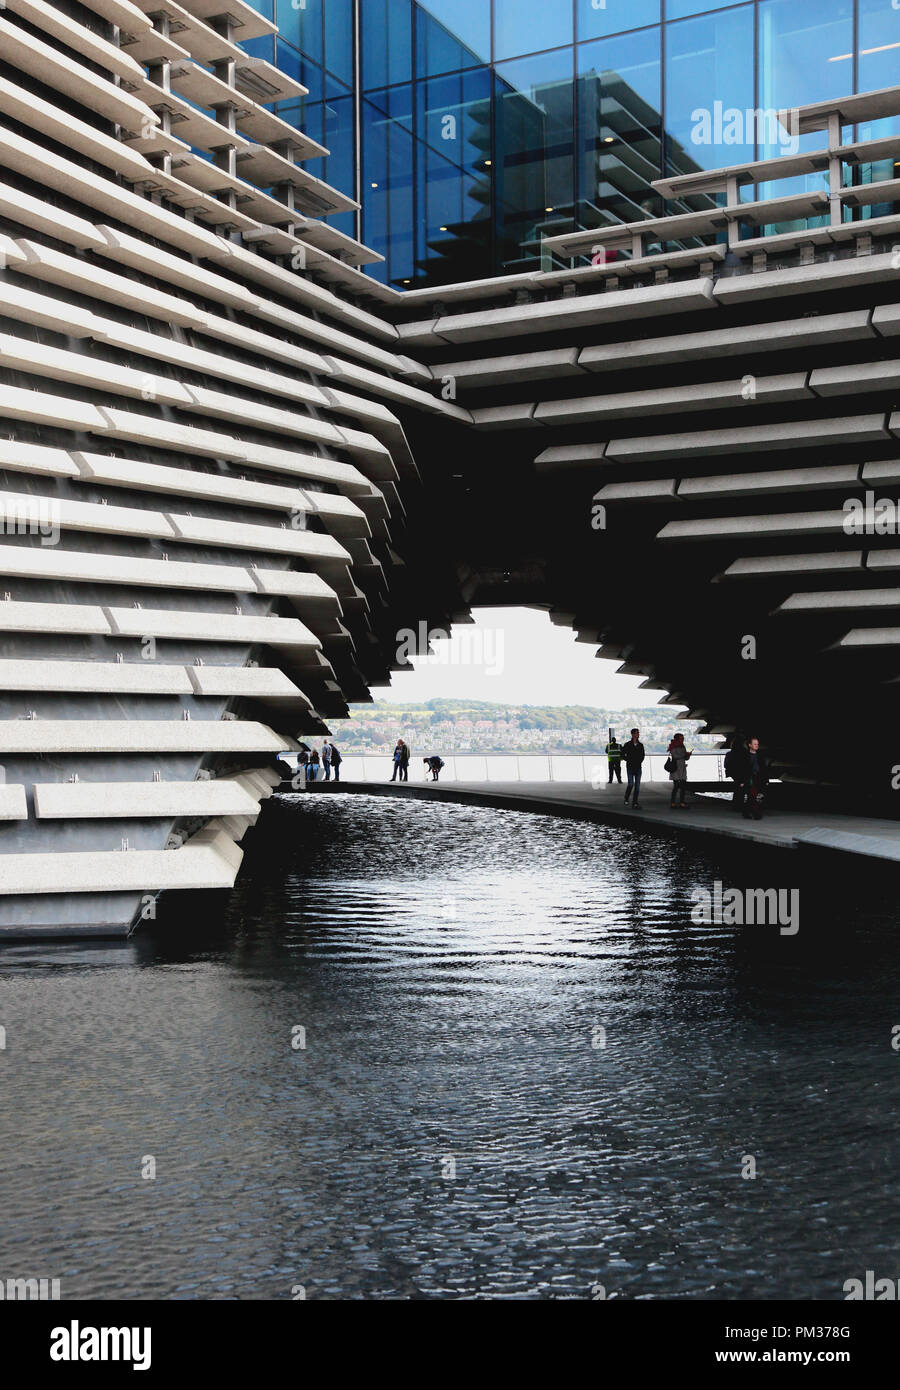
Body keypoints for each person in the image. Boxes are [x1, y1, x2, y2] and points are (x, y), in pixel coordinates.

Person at [742, 736, 769, 820]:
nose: (757, 746)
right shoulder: (745, 756)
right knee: (752, 795)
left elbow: (764, 768)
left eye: (757, 744)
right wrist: (742, 781)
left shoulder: (760, 755)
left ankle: (746, 812)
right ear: (750, 745)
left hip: (758, 778)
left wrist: (766, 779)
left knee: (752, 796)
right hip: (749, 778)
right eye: (755, 744)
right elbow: (742, 769)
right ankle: (757, 814)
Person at [723, 736, 749, 811]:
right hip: (743, 773)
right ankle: (740, 805)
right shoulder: (745, 753)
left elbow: (726, 764)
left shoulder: (729, 754)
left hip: (734, 773)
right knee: (742, 789)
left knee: (737, 788)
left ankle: (736, 805)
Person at [666, 732, 692, 808]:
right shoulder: (673, 746)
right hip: (675, 768)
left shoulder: (682, 746)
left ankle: (682, 802)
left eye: (683, 738)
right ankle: (673, 802)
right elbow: (675, 756)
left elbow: (685, 758)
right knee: (676, 786)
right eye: (681, 738)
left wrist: (688, 755)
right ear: (677, 739)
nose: (683, 739)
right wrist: (685, 755)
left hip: (682, 768)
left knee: (683, 787)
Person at [622, 729, 644, 809]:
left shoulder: (640, 745)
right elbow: (622, 754)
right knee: (631, 784)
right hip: (630, 767)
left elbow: (642, 755)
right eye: (637, 733)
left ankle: (635, 802)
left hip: (638, 767)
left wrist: (639, 761)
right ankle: (626, 797)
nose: (638, 734)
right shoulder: (627, 744)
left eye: (638, 732)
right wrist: (628, 760)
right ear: (633, 734)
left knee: (637, 786)